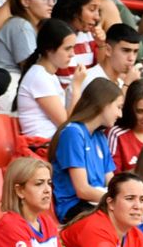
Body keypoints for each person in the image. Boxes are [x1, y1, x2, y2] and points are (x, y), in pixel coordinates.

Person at [49, 77, 120, 222]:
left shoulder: (100, 137)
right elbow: (82, 190)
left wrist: (124, 198)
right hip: (75, 208)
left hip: (97, 203)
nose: (120, 114)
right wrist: (117, 201)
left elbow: (112, 183)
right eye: (118, 107)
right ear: (104, 104)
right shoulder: (73, 133)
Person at [0, 0, 54, 72]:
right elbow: (32, 70)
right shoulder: (20, 26)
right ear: (25, 1)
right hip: (9, 83)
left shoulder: (28, 25)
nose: (51, 3)